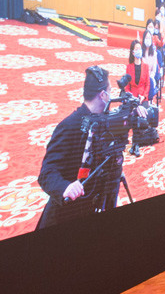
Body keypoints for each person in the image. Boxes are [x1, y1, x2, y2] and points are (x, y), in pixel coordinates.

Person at [36, 66, 121, 229]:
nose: (112, 95)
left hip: (93, 203)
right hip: (66, 214)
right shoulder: (70, 126)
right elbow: (46, 173)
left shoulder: (105, 119)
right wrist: (65, 187)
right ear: (103, 95)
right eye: (110, 90)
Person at [124, 39, 152, 157]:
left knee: (141, 115)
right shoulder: (129, 67)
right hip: (133, 98)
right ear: (132, 52)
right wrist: (132, 98)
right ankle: (136, 144)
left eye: (139, 48)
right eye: (136, 49)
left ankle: (136, 144)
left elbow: (148, 84)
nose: (138, 50)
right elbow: (126, 87)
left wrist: (143, 96)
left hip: (143, 98)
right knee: (134, 115)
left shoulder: (145, 66)